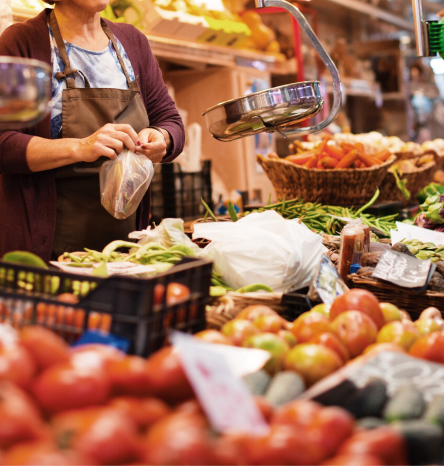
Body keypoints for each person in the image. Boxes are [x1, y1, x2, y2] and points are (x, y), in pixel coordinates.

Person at [0, 0, 184, 261]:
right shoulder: (24, 42)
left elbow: (169, 120)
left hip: (127, 251)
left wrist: (162, 138)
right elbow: (4, 143)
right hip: (49, 252)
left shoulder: (132, 42)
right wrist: (80, 147)